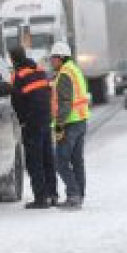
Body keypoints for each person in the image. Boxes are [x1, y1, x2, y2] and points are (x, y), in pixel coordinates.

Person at [9, 46, 58, 208]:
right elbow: (47, 93)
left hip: (32, 122)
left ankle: (41, 198)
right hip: (45, 119)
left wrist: (22, 121)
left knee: (34, 161)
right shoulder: (39, 70)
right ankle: (53, 195)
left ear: (13, 59)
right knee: (47, 158)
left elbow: (17, 101)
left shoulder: (19, 76)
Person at [49, 41, 89, 209]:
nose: (51, 61)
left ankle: (73, 196)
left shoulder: (65, 74)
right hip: (80, 121)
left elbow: (65, 103)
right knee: (77, 161)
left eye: (53, 58)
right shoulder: (75, 70)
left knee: (61, 162)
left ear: (60, 58)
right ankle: (79, 194)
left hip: (69, 123)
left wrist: (59, 125)